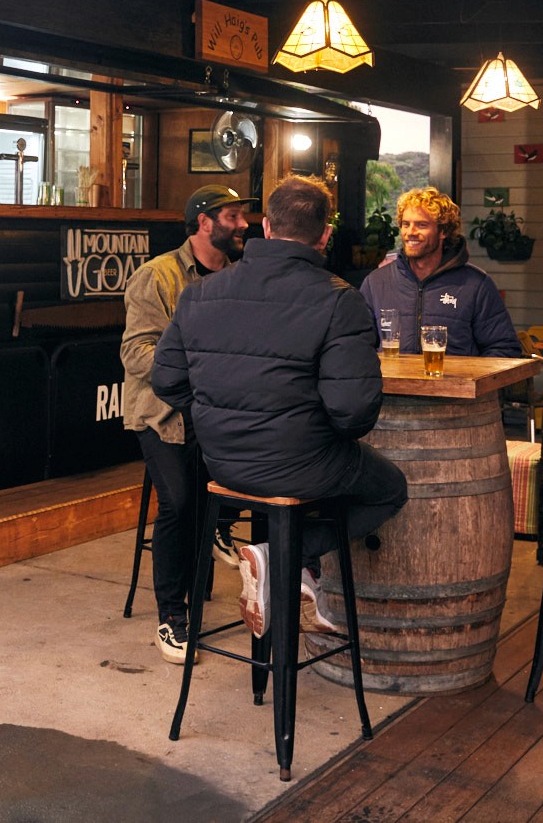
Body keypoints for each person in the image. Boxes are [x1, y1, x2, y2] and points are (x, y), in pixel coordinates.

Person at [151, 175, 408, 639]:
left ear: (266, 227)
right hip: (302, 465)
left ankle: (290, 567)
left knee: (316, 479)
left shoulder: (201, 293)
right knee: (389, 488)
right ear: (325, 235)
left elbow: (166, 381)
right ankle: (287, 557)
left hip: (222, 465)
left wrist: (218, 414)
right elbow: (353, 413)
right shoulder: (339, 299)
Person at [120, 183, 254, 663]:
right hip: (164, 414)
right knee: (179, 504)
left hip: (221, 412)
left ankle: (220, 524)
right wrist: (200, 368)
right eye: (233, 216)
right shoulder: (158, 276)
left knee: (267, 466)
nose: (243, 224)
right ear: (204, 222)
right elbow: (135, 353)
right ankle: (172, 617)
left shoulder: (240, 278)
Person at [361, 187, 522, 357]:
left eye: (421, 225)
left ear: (443, 231)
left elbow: (504, 349)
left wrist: (469, 373)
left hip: (455, 375)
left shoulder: (476, 285)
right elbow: (358, 346)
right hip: (390, 376)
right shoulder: (375, 283)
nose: (410, 233)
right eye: (406, 224)